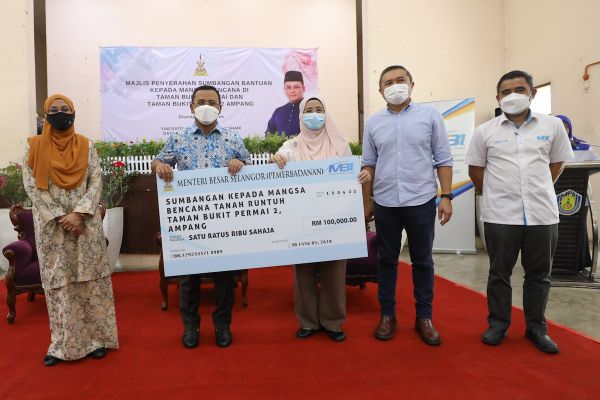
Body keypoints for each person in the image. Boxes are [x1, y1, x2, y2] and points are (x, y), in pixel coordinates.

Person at [465, 70, 573, 354]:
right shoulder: (485, 132)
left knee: (539, 275)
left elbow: (557, 163)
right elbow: (475, 170)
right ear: (498, 97)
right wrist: (498, 192)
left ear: (532, 93)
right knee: (499, 273)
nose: (513, 95)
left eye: (520, 89)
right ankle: (498, 324)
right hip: (500, 215)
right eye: (506, 91)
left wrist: (538, 188)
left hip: (541, 213)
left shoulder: (552, 126)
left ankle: (537, 328)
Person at [22, 94, 119, 367]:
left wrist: (79, 214)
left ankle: (96, 340)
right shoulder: (34, 147)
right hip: (52, 228)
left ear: (74, 112)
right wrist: (59, 216)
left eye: (65, 108)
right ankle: (62, 345)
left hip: (85, 225)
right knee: (60, 285)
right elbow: (32, 186)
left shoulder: (87, 146)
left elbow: (95, 182)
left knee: (90, 282)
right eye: (54, 109)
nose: (60, 113)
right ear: (45, 115)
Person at [152, 85, 250, 349]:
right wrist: (161, 166)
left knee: (224, 279)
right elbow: (157, 162)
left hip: (225, 219)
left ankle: (222, 326)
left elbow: (249, 167)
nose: (207, 106)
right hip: (189, 220)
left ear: (220, 107)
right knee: (188, 280)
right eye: (201, 101)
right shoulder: (178, 138)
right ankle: (190, 327)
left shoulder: (233, 138)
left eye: (212, 102)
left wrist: (240, 164)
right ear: (191, 107)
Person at [361, 65, 453, 346]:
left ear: (412, 84)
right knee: (386, 261)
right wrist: (367, 202)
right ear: (380, 91)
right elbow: (368, 163)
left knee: (422, 261)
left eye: (400, 80)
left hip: (421, 200)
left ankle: (424, 317)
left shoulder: (430, 116)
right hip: (385, 202)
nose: (395, 86)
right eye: (388, 82)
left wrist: (446, 196)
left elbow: (443, 158)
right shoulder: (373, 123)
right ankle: (387, 315)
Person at [270, 96, 370, 342]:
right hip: (300, 222)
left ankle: (333, 322)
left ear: (326, 114)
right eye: (309, 110)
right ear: (301, 115)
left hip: (335, 220)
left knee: (334, 274)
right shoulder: (290, 147)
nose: (314, 114)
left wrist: (362, 176)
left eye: (319, 109)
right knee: (303, 274)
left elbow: (351, 178)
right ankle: (308, 322)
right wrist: (275, 162)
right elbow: (276, 173)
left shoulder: (340, 145)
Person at [266, 70, 305, 136]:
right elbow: (268, 135)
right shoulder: (278, 112)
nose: (292, 91)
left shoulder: (309, 109)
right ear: (284, 89)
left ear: (303, 89)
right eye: (288, 87)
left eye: (296, 87)